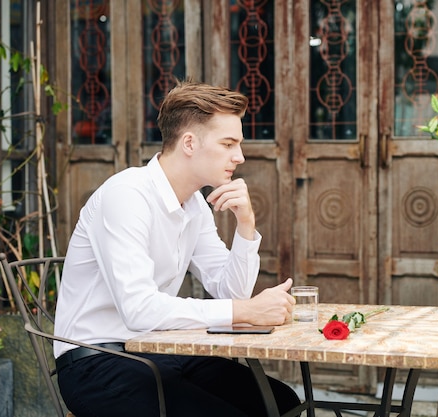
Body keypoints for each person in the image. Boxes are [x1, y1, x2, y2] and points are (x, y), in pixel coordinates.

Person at [53, 79, 301, 417]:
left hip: (160, 350)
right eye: (228, 143)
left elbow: (231, 292)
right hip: (98, 363)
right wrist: (244, 312)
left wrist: (246, 226)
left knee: (280, 402)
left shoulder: (193, 206)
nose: (239, 156)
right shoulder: (127, 196)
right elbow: (138, 309)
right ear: (189, 143)